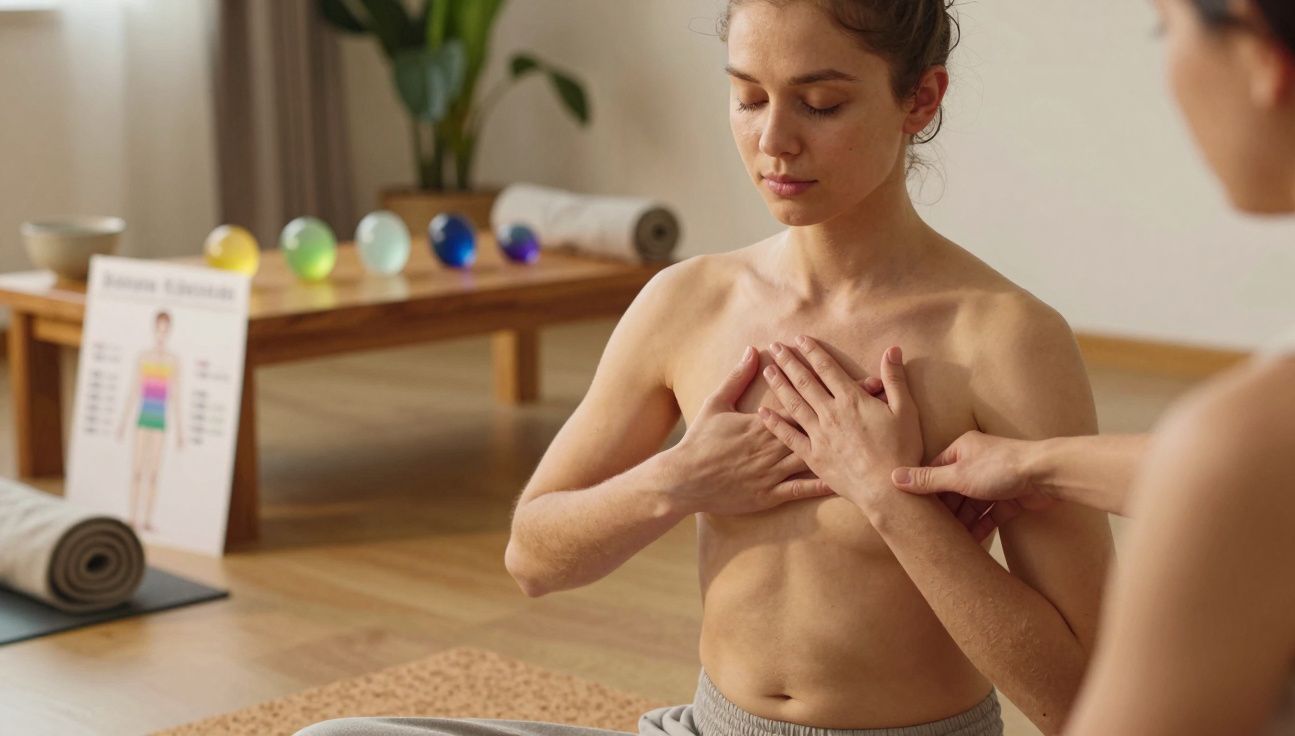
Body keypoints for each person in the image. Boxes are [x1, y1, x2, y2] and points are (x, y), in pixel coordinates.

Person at [296, 1, 1113, 735]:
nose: (774, 141)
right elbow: (532, 557)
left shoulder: (1003, 340)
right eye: (749, 97)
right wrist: (678, 480)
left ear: (921, 100)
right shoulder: (690, 302)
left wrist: (889, 502)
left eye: (821, 103)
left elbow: (1083, 706)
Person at [808, 1, 1295, 733]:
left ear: (1261, 56)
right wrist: (1036, 463)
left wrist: (888, 501)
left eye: (1165, 27)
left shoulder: (1253, 436)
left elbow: (1248, 477)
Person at [116, 310, 184, 532]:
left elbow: (176, 396)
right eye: (159, 330)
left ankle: (146, 519)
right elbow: (134, 390)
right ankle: (132, 517)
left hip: (160, 421)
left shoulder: (173, 361)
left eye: (165, 331)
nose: (161, 335)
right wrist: (123, 422)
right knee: (137, 470)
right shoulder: (143, 357)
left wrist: (181, 431)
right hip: (143, 418)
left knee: (153, 474)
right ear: (154, 330)